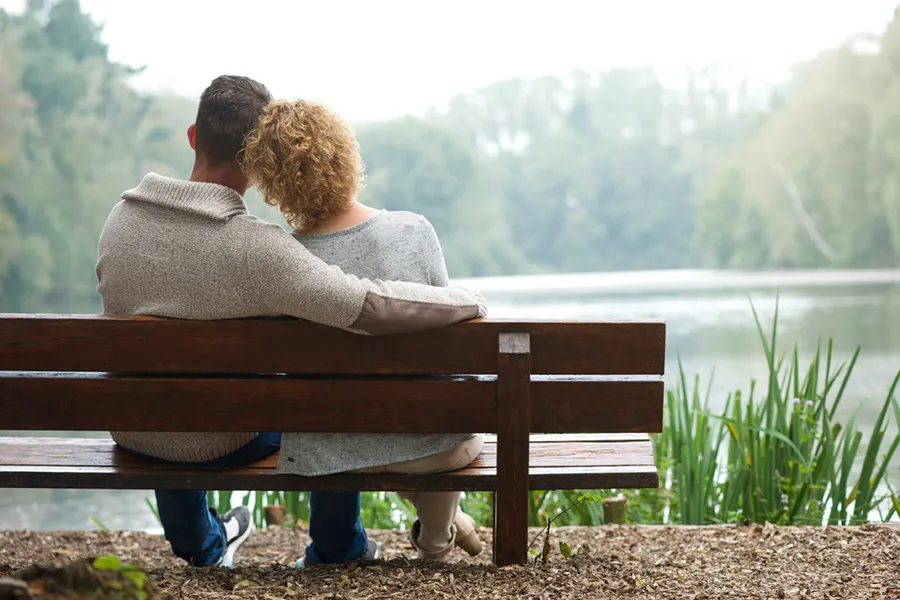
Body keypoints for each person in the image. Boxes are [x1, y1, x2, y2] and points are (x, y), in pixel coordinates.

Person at [95, 75, 488, 569]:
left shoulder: (119, 223)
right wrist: (463, 301)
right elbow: (366, 305)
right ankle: (340, 546)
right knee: (322, 400)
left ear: (193, 136)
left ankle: (204, 546)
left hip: (134, 428)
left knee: (169, 397)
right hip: (227, 439)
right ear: (258, 163)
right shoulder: (259, 249)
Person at [241, 99, 484, 565]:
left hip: (332, 452)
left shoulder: (287, 261)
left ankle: (445, 528)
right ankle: (436, 541)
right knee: (442, 416)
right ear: (345, 155)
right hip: (430, 448)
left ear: (274, 184)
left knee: (374, 427)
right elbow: (450, 337)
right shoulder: (413, 230)